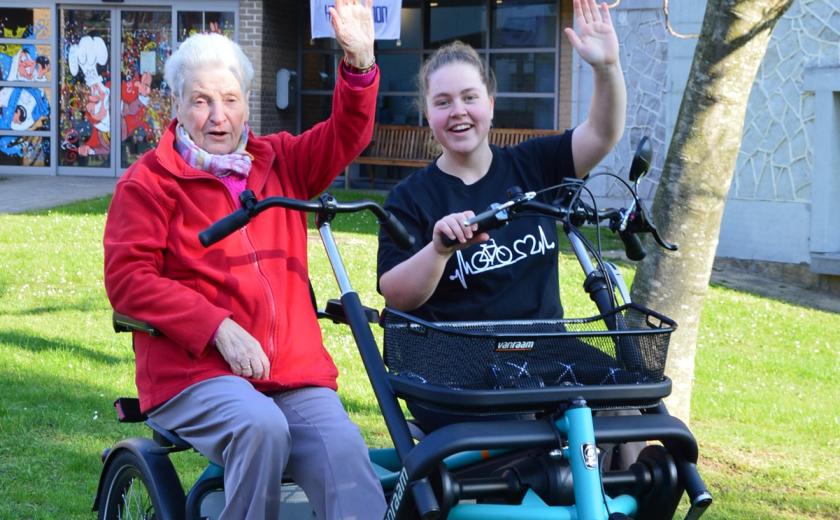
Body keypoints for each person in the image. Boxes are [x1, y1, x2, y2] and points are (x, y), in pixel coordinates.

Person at [103, 1, 385, 518]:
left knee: (344, 450)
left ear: (248, 103)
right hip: (194, 374)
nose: (218, 116)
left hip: (291, 374)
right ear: (176, 105)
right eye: (201, 101)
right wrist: (218, 328)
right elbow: (128, 280)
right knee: (259, 427)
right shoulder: (148, 183)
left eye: (230, 99)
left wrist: (361, 64)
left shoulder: (282, 161)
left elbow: (348, 133)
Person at [376, 0, 631, 452]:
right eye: (443, 102)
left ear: (490, 105)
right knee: (539, 428)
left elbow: (602, 133)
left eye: (469, 97)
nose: (458, 111)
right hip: (458, 366)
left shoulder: (534, 165)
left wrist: (606, 67)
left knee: (627, 409)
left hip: (547, 352)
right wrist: (438, 250)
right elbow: (395, 294)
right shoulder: (411, 199)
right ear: (427, 115)